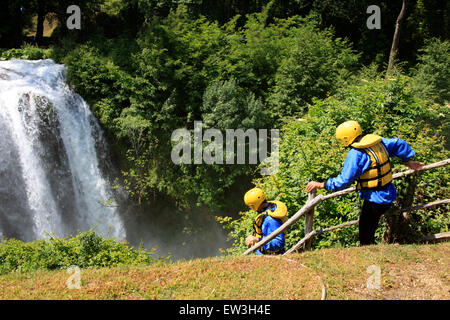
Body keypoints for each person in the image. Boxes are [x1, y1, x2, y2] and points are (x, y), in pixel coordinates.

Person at [305, 120, 424, 245]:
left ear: (345, 138)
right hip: (389, 193)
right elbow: (398, 143)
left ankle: (371, 254)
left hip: (375, 198)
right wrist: (407, 160)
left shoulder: (356, 154)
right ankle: (372, 248)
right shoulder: (378, 142)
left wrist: (322, 184)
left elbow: (343, 181)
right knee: (370, 227)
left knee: (365, 233)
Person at [244, 188, 287, 255]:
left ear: (254, 205)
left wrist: (257, 239)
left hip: (272, 256)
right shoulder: (270, 208)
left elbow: (279, 242)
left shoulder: (271, 220)